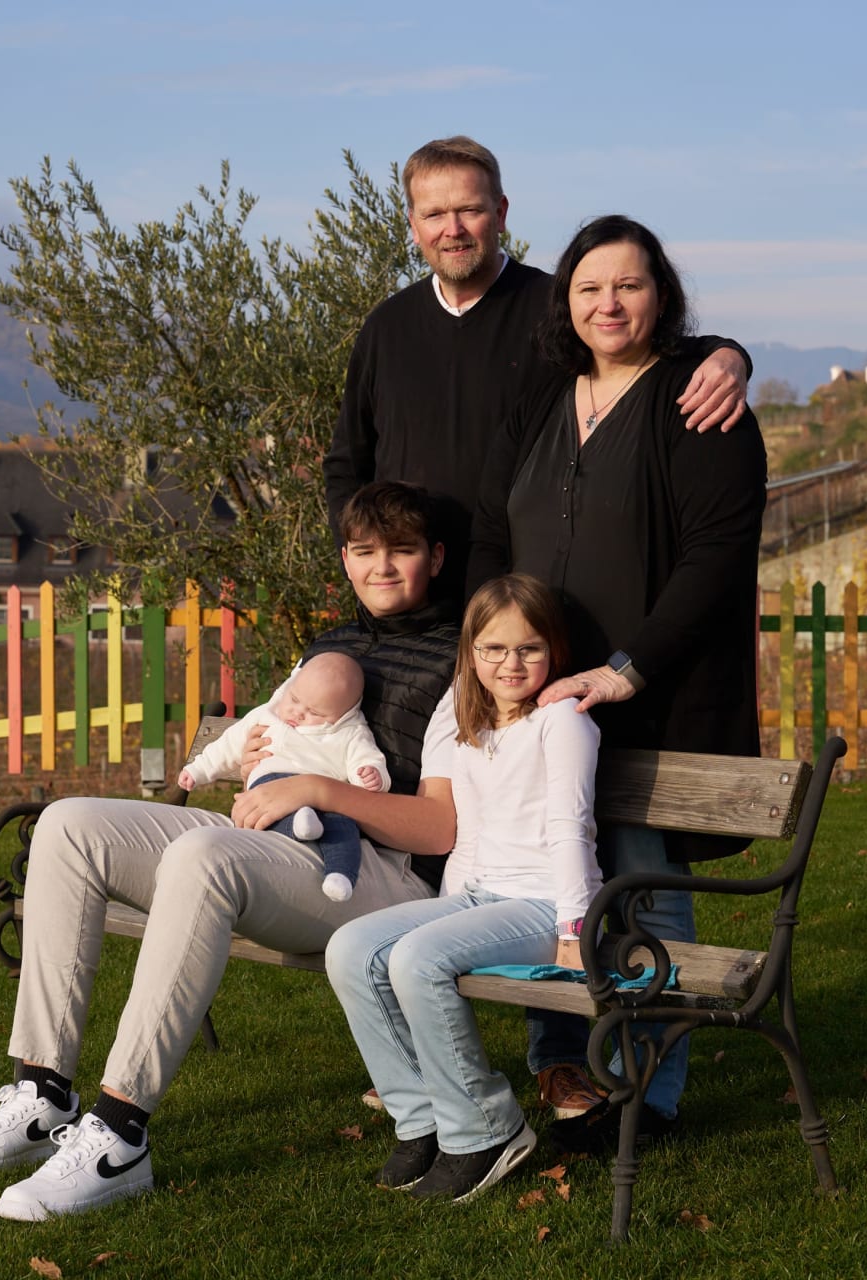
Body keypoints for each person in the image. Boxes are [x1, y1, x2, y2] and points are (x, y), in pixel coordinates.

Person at [0, 481, 460, 1221]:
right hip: (277, 846)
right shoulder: (329, 646)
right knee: (68, 825)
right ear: (344, 558)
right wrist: (258, 768)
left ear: (436, 556)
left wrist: (319, 788)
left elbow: (439, 829)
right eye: (365, 551)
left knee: (203, 857)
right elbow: (265, 746)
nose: (382, 567)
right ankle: (41, 1096)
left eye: (401, 550)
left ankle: (120, 1138)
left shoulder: (460, 660)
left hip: (379, 876)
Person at [466, 213, 768, 1148]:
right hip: (539, 702)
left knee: (642, 892)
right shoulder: (544, 398)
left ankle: (650, 1093)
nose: (609, 303)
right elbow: (491, 529)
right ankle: (565, 1071)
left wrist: (627, 670)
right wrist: (492, 653)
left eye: (629, 285)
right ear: (566, 300)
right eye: (590, 287)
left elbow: (717, 556)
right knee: (542, 885)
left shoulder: (699, 398)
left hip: (651, 702)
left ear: (660, 295)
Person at [323, 135, 753, 609]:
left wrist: (727, 354)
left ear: (501, 212)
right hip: (409, 605)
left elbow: (640, 344)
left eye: (470, 210)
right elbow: (347, 463)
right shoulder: (386, 326)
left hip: (521, 608)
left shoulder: (558, 309)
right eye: (434, 215)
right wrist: (365, 561)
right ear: (412, 225)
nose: (453, 229)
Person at [326, 573, 598, 1201]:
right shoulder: (467, 720)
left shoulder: (562, 721)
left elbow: (571, 829)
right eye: (493, 649)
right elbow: (468, 833)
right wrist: (446, 909)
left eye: (529, 648)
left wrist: (573, 931)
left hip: (544, 904)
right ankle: (422, 1119)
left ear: (554, 650)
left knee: (418, 960)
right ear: (471, 653)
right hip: (479, 898)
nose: (510, 664)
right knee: (351, 948)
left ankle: (486, 1129)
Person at [178, 650, 390, 902]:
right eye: (294, 699)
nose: (297, 712)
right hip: (270, 785)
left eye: (315, 713)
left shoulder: (350, 732)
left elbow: (367, 759)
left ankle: (340, 876)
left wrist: (370, 774)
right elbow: (228, 746)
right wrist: (198, 769)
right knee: (271, 814)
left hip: (327, 799)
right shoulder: (267, 716)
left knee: (345, 828)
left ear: (345, 714)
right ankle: (301, 823)